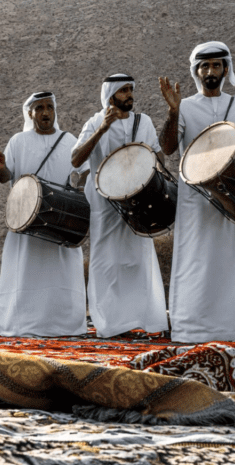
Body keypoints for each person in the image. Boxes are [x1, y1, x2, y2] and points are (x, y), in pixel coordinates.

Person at [159, 41, 235, 342]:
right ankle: (192, 329)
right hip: (196, 201)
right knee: (197, 261)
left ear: (226, 69)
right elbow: (167, 147)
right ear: (197, 71)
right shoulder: (186, 107)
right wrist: (173, 112)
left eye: (216, 65)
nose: (210, 71)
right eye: (204, 66)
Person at [71, 75, 168, 337]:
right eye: (123, 90)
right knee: (107, 262)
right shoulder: (95, 122)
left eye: (130, 89)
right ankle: (110, 325)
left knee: (138, 261)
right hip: (105, 206)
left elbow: (156, 154)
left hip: (140, 201)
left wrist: (164, 184)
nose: (129, 95)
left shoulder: (143, 121)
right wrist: (102, 129)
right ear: (110, 96)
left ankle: (142, 321)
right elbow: (76, 159)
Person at [0, 91, 87, 337]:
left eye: (49, 107)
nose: (45, 112)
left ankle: (65, 326)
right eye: (40, 108)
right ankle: (22, 325)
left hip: (62, 220)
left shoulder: (69, 141)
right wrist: (0, 168)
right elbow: (6, 177)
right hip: (26, 222)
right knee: (25, 272)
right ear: (30, 113)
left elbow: (85, 170)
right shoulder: (18, 141)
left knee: (62, 272)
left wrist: (78, 191)